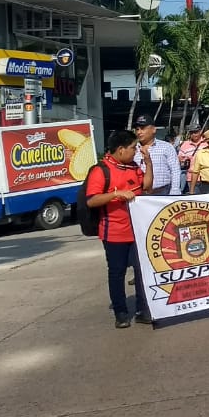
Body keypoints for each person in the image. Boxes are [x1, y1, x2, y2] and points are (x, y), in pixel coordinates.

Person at [84, 129, 153, 328]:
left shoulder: (133, 166)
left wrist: (148, 164)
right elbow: (92, 200)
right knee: (117, 272)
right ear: (121, 150)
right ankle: (121, 313)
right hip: (113, 233)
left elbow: (146, 186)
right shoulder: (101, 170)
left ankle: (142, 309)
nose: (135, 152)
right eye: (133, 148)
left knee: (141, 271)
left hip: (137, 231)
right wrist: (117, 194)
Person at [132, 115, 180, 196]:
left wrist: (175, 191)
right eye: (137, 129)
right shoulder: (132, 149)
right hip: (139, 194)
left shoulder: (166, 147)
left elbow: (175, 170)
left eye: (143, 128)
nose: (139, 132)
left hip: (163, 193)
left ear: (153, 129)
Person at [176, 127, 205, 191]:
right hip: (190, 178)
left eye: (196, 132)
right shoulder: (185, 144)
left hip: (206, 178)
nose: (194, 134)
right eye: (192, 133)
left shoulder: (206, 143)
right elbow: (179, 159)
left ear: (200, 132)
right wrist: (183, 159)